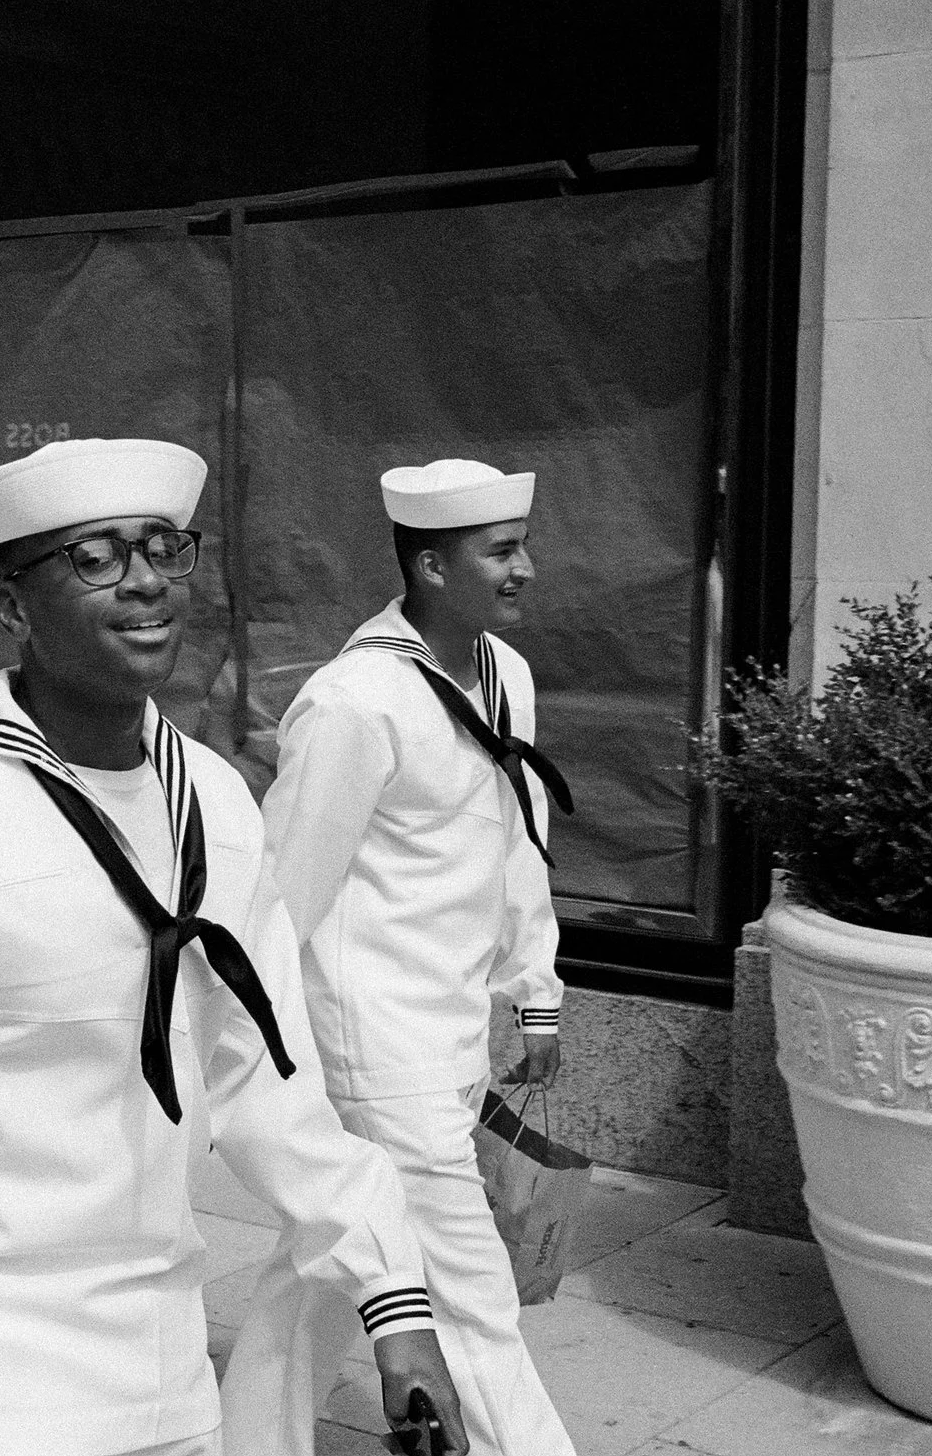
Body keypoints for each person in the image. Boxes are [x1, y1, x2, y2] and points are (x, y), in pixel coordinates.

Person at [0, 436, 472, 1456]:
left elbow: (263, 1077)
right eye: (94, 557)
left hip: (170, 1382)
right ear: (13, 606)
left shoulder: (215, 799)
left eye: (161, 547)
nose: (144, 581)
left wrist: (391, 1298)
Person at [221, 459, 575, 1456]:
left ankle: (250, 1441)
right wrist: (248, 1062)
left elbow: (520, 839)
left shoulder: (506, 674)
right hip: (375, 1048)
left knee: (326, 1266)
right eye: (500, 551)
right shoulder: (355, 702)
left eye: (520, 545)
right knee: (472, 1308)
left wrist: (534, 989)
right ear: (428, 564)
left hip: (453, 1028)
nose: (525, 570)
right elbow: (280, 896)